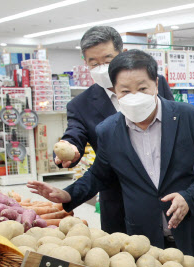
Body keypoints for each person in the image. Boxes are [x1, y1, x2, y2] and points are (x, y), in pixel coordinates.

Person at [28, 50, 194, 264]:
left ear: (156, 83)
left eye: (142, 88)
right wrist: (68, 195)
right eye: (125, 91)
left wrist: (189, 196)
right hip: (144, 238)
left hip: (193, 231)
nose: (135, 96)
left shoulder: (190, 117)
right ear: (114, 91)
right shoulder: (108, 130)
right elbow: (99, 174)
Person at [56, 26, 174, 233]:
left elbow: (173, 125)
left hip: (169, 194)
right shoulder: (81, 105)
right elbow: (75, 132)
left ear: (122, 54)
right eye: (94, 62)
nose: (102, 67)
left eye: (108, 59)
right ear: (86, 63)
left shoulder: (155, 83)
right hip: (119, 200)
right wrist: (69, 146)